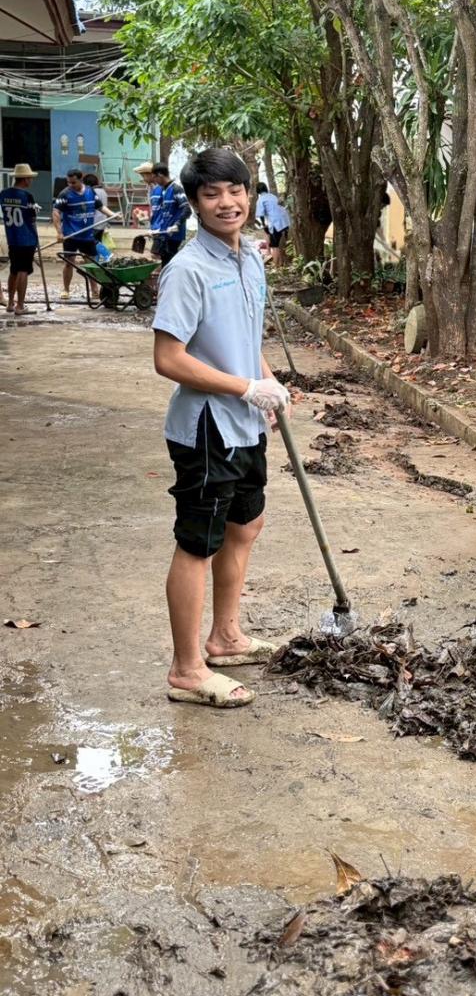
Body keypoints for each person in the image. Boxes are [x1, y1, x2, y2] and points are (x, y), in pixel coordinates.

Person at [153, 147, 290, 709]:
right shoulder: (188, 270)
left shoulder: (250, 257)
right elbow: (168, 358)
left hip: (245, 421)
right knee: (198, 542)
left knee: (246, 524)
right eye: (212, 194)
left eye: (236, 190)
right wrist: (243, 388)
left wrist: (268, 384)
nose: (227, 202)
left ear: (249, 195)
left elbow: (245, 337)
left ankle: (226, 636)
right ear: (195, 203)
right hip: (207, 428)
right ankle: (187, 669)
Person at [52, 167, 115, 299]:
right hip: (71, 235)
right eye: (68, 182)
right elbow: (56, 212)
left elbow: (100, 206)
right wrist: (59, 232)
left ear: (81, 180)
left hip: (87, 235)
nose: (70, 185)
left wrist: (112, 214)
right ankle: (66, 290)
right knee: (69, 262)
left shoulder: (90, 191)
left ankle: (95, 291)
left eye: (73, 182)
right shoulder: (65, 194)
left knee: (91, 263)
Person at [2, 163, 41, 315]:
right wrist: (35, 209)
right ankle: (20, 306)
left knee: (14, 270)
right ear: (25, 179)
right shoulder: (26, 196)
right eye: (30, 178)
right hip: (26, 239)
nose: (31, 181)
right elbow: (32, 217)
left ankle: (10, 303)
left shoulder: (3, 194)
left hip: (12, 238)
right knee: (23, 270)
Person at [150, 163, 191, 266]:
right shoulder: (162, 191)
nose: (154, 180)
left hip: (174, 234)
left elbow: (187, 209)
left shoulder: (176, 189)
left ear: (160, 175)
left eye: (155, 177)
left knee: (170, 261)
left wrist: (177, 224)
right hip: (163, 233)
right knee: (164, 260)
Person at [255, 182, 291, 269]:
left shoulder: (261, 200)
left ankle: (276, 267)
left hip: (275, 223)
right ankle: (281, 263)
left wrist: (264, 224)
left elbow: (260, 214)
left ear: (258, 191)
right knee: (281, 243)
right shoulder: (273, 196)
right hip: (285, 221)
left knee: (275, 246)